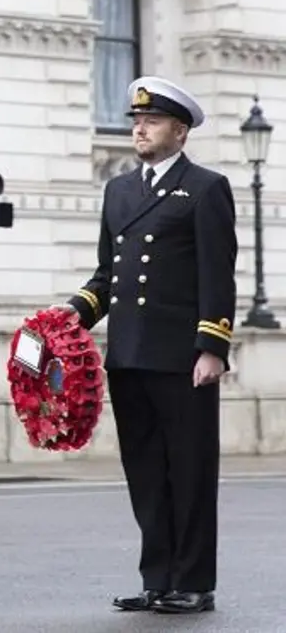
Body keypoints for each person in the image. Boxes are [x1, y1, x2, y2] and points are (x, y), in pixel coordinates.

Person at [59, 77, 235, 615]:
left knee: (189, 472)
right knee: (146, 473)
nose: (139, 128)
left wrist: (213, 348)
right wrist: (70, 316)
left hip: (182, 360)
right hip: (129, 356)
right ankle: (157, 577)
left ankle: (194, 583)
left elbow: (217, 275)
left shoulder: (206, 188)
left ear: (179, 132)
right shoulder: (119, 191)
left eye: (152, 121)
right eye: (136, 121)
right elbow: (107, 275)